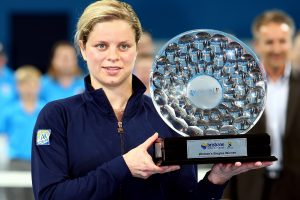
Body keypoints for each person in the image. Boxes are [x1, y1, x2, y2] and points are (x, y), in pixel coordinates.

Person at [31, 1, 271, 200]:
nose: (112, 57)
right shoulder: (57, 116)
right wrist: (124, 167)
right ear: (83, 49)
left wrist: (215, 180)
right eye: (101, 46)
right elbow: (50, 195)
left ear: (137, 48)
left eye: (123, 46)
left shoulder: (170, 117)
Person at [223, 10, 300, 200]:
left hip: (295, 185)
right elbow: (229, 141)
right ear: (257, 45)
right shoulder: (239, 87)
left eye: (282, 41)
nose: (276, 49)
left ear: (290, 43)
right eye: (269, 42)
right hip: (251, 186)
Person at [0, 65, 45, 200]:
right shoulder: (9, 111)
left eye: (33, 84)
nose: (29, 89)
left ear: (39, 86)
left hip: (40, 162)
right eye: (24, 84)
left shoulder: (46, 110)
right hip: (16, 162)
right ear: (18, 87)